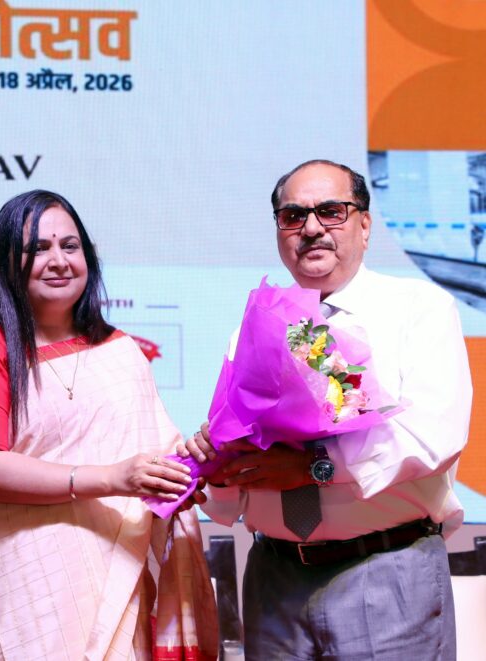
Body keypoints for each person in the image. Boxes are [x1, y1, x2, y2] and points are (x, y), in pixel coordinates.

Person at [183, 159, 472, 660]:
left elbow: (433, 439)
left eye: (331, 211)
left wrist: (313, 468)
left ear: (365, 225)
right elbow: (230, 503)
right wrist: (218, 464)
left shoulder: (419, 309)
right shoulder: (253, 329)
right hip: (274, 578)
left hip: (385, 569)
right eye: (293, 216)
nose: (312, 228)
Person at [0, 189, 218, 660]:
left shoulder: (119, 349)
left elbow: (156, 450)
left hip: (115, 571)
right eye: (38, 249)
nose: (59, 261)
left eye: (70, 246)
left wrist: (187, 469)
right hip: (22, 588)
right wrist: (112, 478)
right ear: (5, 261)